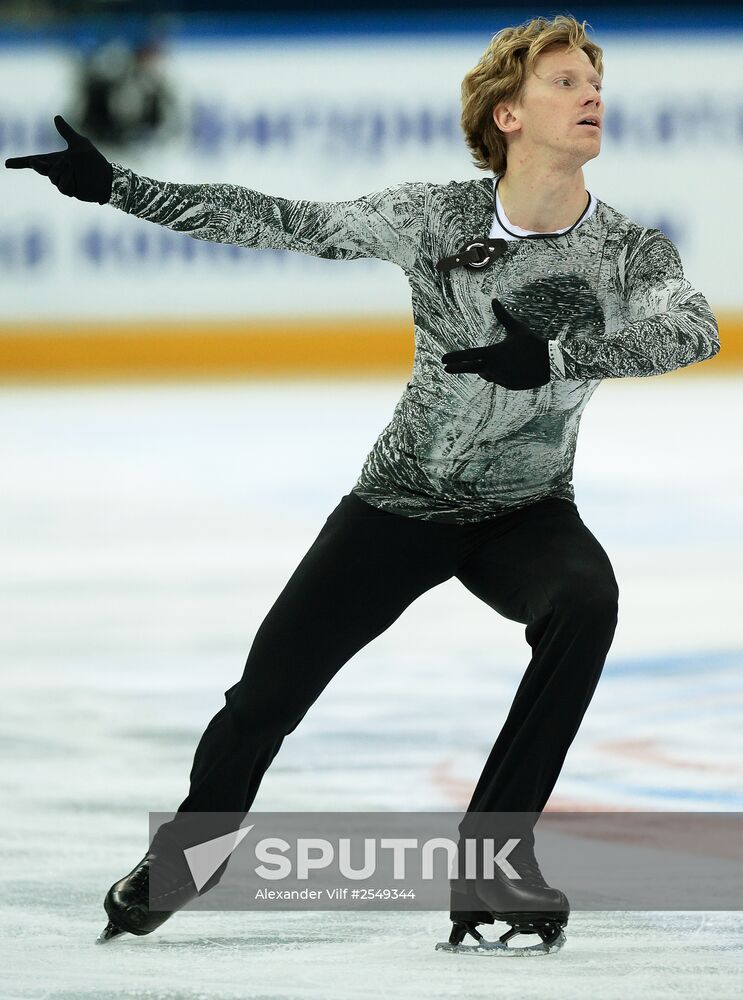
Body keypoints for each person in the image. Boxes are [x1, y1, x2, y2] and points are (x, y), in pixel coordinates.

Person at [6, 13, 720, 956]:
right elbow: (287, 222)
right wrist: (119, 188)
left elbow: (695, 331)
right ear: (506, 115)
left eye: (593, 79)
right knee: (265, 697)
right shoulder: (436, 218)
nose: (590, 94)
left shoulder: (627, 252)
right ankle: (189, 853)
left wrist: (552, 354)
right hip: (398, 506)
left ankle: (491, 861)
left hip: (527, 512)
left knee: (586, 601)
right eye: (562, 80)